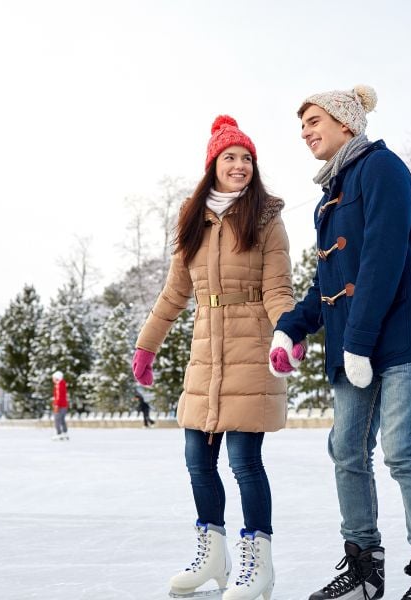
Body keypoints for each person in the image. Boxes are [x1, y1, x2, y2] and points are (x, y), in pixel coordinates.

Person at [269, 86, 411, 600]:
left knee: (403, 452)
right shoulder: (331, 193)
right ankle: (364, 569)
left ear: (346, 122)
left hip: (400, 337)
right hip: (356, 346)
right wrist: (292, 325)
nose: (305, 131)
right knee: (347, 450)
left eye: (313, 120)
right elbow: (329, 280)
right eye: (302, 125)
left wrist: (359, 339)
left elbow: (383, 258)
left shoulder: (383, 168)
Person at [132, 115, 298, 600]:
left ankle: (258, 562)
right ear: (213, 164)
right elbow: (174, 292)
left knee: (245, 461)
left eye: (247, 158)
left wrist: (287, 332)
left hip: (250, 347)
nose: (240, 165)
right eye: (231, 157)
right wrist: (147, 344)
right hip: (206, 351)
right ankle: (214, 555)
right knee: (197, 460)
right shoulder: (193, 218)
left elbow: (277, 287)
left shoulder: (266, 217)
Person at [51, 371, 69, 441]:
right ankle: (65, 433)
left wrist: (56, 405)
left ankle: (59, 433)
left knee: (57, 420)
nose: (53, 380)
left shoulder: (59, 385)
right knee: (62, 420)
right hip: (64, 405)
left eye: (53, 378)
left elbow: (58, 397)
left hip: (60, 405)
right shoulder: (62, 384)